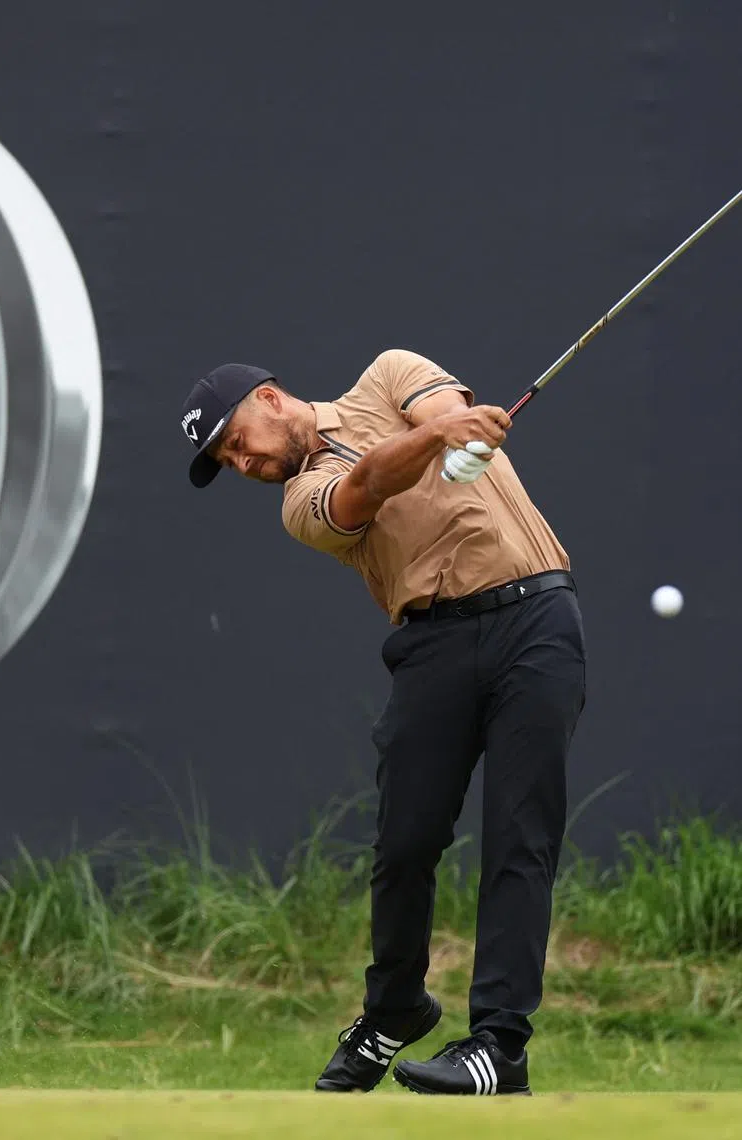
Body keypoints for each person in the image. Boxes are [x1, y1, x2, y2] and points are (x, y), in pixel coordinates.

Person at [178, 349, 586, 1097]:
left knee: (520, 837)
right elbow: (365, 485)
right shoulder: (301, 503)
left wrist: (456, 431)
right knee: (405, 843)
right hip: (434, 642)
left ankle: (499, 1045)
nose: (241, 463)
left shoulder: (388, 375)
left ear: (270, 399)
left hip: (538, 619)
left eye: (235, 441)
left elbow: (439, 414)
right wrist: (441, 440)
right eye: (226, 461)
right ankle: (396, 1006)